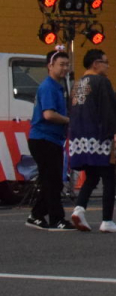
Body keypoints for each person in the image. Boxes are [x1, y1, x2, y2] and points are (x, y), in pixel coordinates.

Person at [67, 49, 116, 233]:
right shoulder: (101, 82)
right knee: (109, 177)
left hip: (80, 137)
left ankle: (79, 209)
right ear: (95, 63)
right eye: (105, 62)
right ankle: (107, 220)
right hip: (99, 135)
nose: (108, 66)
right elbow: (108, 110)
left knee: (92, 176)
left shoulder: (77, 85)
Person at [27, 50, 73, 231]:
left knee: (52, 180)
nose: (65, 69)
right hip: (43, 139)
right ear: (50, 66)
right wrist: (69, 120)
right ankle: (56, 219)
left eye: (67, 65)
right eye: (61, 65)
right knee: (52, 180)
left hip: (50, 139)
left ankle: (36, 215)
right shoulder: (48, 87)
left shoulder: (57, 87)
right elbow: (48, 114)